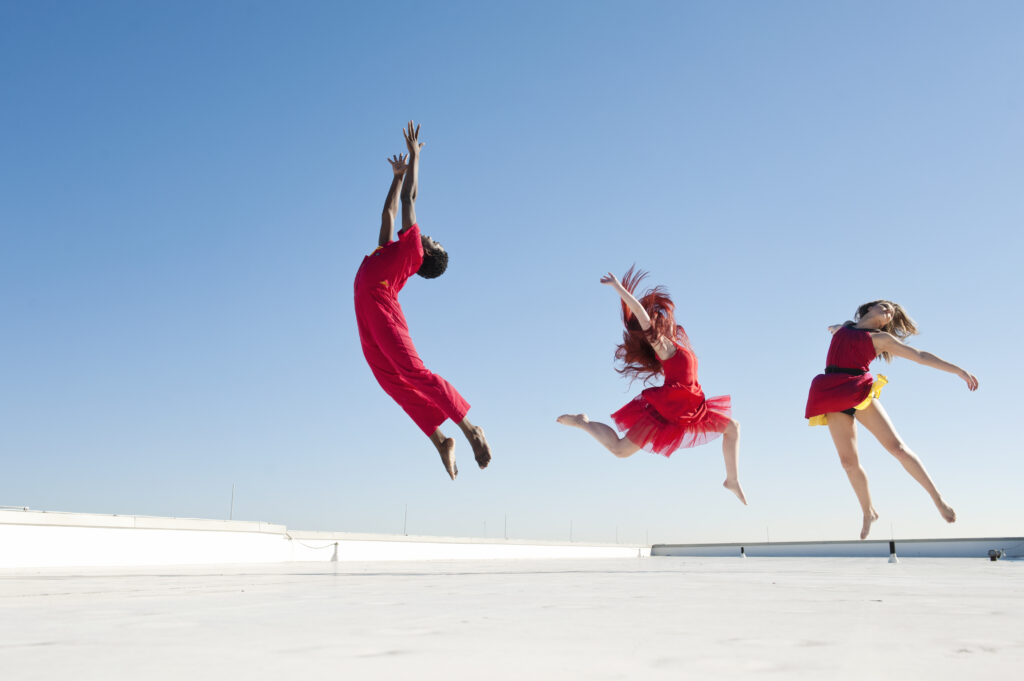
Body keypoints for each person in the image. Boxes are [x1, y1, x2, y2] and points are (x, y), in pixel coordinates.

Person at [353, 121, 491, 480]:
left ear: (428, 254)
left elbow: (408, 201)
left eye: (436, 242)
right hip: (367, 306)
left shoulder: (411, 249)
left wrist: (415, 158)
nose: (431, 236)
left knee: (414, 373)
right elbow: (388, 214)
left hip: (382, 306)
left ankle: (469, 428)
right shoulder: (392, 250)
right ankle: (440, 440)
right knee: (390, 380)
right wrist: (396, 176)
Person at [557, 268, 746, 504]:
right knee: (619, 450)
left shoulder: (678, 344)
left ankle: (732, 480)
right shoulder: (662, 347)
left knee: (733, 427)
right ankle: (582, 422)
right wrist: (619, 289)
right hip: (667, 411)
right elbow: (641, 316)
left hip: (693, 408)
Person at [805, 300, 978, 539]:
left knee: (896, 448)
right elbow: (842, 330)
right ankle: (868, 512)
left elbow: (920, 356)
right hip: (831, 393)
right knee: (848, 463)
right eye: (884, 306)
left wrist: (958, 370)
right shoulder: (845, 326)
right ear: (868, 309)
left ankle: (938, 499)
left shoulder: (882, 339)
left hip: (858, 389)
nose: (889, 311)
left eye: (892, 313)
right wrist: (836, 328)